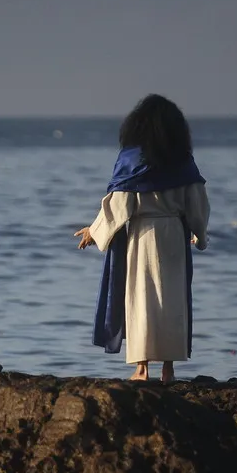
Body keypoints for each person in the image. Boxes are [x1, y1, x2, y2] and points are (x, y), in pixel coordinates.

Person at [75, 94, 211, 382]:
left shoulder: (132, 161)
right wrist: (199, 234)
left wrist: (94, 230)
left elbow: (119, 205)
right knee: (173, 301)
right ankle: (169, 369)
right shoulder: (183, 162)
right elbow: (197, 202)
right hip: (173, 235)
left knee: (141, 300)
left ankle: (141, 368)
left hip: (142, 237)